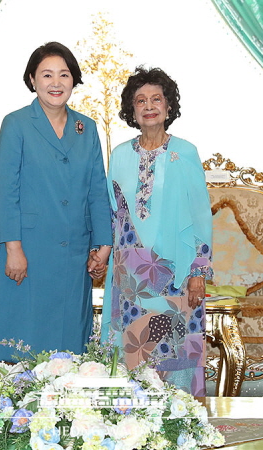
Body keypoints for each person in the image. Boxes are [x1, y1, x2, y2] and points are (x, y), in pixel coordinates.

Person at [0, 42, 112, 362]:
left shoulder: (87, 127)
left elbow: (98, 189)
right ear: (32, 80)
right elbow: (5, 191)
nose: (56, 83)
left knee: (70, 347)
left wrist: (104, 244)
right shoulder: (16, 124)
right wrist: (12, 249)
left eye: (64, 75)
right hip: (28, 251)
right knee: (24, 344)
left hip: (75, 254)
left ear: (73, 80)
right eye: (47, 75)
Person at [100, 66, 213, 396]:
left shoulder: (185, 152)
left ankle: (180, 425)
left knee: (174, 357)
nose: (149, 106)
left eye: (156, 99)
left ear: (168, 106)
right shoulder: (119, 155)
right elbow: (113, 213)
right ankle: (135, 430)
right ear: (132, 110)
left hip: (175, 272)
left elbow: (200, 217)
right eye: (140, 100)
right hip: (131, 273)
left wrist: (198, 272)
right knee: (135, 357)